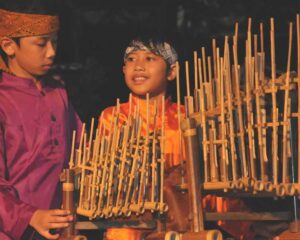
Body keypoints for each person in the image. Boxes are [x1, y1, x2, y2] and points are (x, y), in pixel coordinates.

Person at [99, 37, 254, 240]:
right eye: (131, 59)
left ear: (172, 71)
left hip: (182, 223)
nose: (138, 66)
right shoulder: (113, 117)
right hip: (130, 224)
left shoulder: (187, 118)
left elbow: (206, 181)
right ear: (123, 70)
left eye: (150, 59)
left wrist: (245, 225)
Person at [0, 1, 81, 239]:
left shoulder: (58, 93)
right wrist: (31, 216)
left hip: (61, 227)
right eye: (41, 43)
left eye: (54, 41)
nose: (52, 52)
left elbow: (82, 150)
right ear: (8, 45)